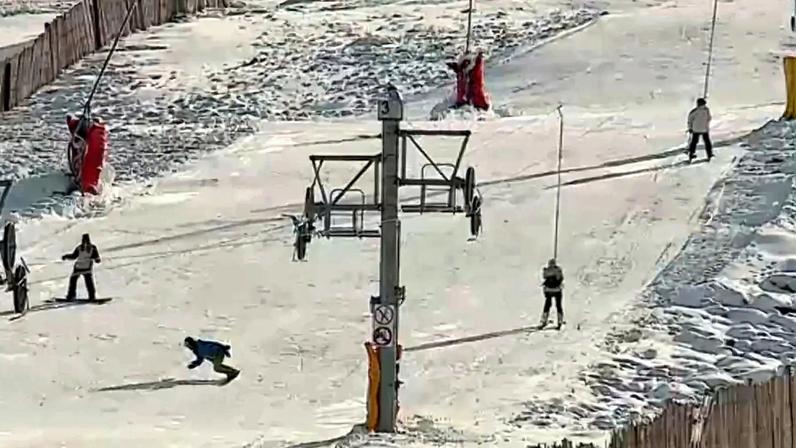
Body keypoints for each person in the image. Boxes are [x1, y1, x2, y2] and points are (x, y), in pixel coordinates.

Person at [61, 233, 101, 301]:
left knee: (73, 281)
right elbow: (97, 258)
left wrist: (66, 256)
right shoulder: (92, 248)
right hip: (86, 267)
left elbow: (73, 256)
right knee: (89, 282)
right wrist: (97, 260)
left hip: (78, 267)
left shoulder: (79, 247)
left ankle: (71, 296)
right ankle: (92, 297)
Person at [539, 258, 564, 329]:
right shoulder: (558, 270)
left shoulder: (546, 271)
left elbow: (544, 277)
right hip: (557, 290)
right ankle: (559, 321)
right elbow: (561, 278)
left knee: (547, 305)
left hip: (548, 290)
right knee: (558, 305)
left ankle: (544, 320)